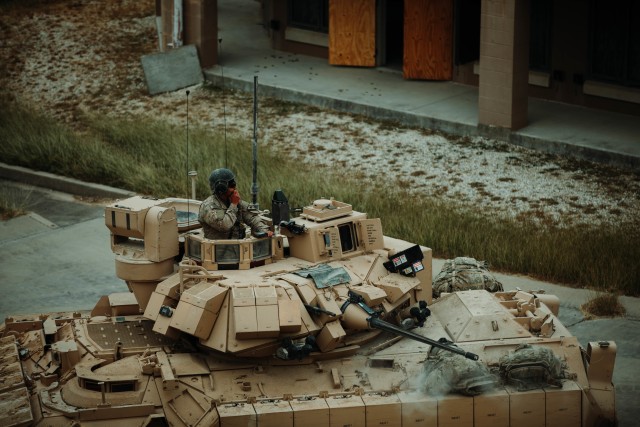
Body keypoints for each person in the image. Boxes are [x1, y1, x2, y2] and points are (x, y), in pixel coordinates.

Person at [198, 168, 272, 240]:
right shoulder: (209, 206)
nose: (235, 188)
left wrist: (263, 230)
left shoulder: (234, 201)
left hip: (238, 247)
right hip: (217, 249)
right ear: (222, 188)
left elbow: (252, 217)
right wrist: (233, 204)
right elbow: (224, 225)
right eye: (232, 185)